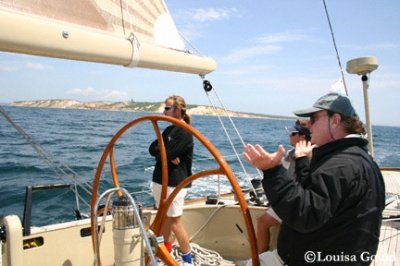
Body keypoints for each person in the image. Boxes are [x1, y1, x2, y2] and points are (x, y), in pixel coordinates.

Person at [243, 92, 385, 265]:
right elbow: (315, 195)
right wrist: (303, 161)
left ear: (335, 120)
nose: (309, 125)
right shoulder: (358, 159)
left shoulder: (340, 165)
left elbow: (304, 215)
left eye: (314, 118)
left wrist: (273, 171)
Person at [149, 95, 194, 265]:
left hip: (175, 182)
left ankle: (187, 259)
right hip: (160, 180)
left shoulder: (185, 133)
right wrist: (167, 156)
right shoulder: (169, 130)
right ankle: (165, 252)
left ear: (177, 110)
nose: (163, 111)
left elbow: (163, 153)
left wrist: (165, 155)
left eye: (167, 108)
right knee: (165, 218)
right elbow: (152, 149)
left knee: (174, 221)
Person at [256, 119, 311, 254]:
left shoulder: (309, 156)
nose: (289, 136)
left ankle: (260, 258)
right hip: (292, 199)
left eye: (293, 133)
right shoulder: (291, 154)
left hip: (297, 203)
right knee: (265, 221)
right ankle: (262, 257)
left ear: (302, 137)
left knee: (263, 222)